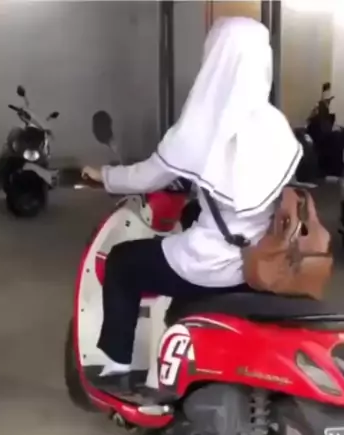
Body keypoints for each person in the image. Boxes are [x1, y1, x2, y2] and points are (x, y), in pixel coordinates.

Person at [82, 16, 302, 396]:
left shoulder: (201, 125)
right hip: (261, 263)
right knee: (190, 216)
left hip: (209, 266)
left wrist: (104, 176)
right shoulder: (276, 127)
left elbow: (146, 177)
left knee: (122, 261)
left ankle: (117, 368)